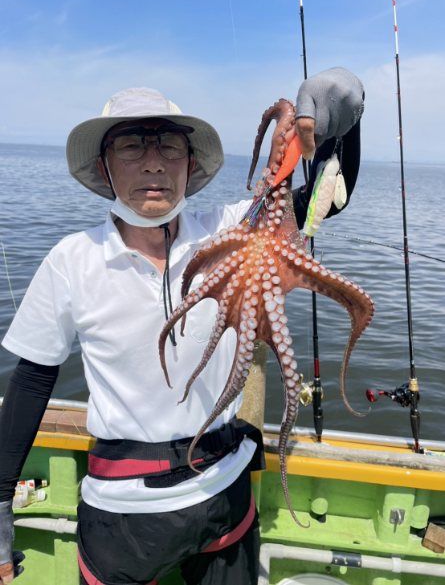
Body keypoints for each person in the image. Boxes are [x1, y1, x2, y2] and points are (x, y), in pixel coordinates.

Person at [0, 67, 364, 585]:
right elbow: (33, 380)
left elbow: (330, 197)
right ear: (104, 167)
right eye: (131, 145)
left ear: (190, 164)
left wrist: (347, 121)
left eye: (169, 146)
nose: (153, 162)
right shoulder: (71, 260)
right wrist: (0, 500)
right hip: (122, 513)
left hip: (226, 494)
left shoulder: (235, 230)